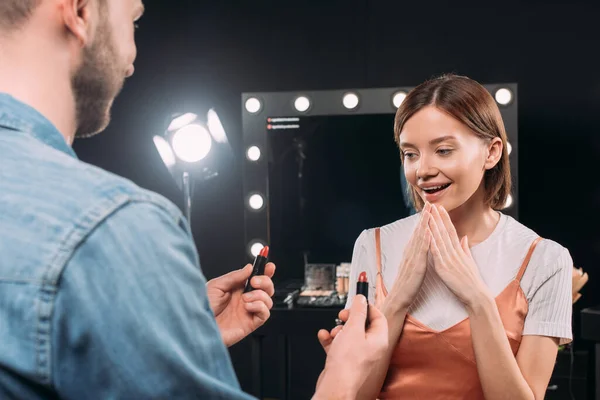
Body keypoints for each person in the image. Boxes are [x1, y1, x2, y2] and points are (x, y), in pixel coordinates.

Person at [0, 0, 388, 398]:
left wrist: (170, 337)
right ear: (79, 11)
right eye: (133, 20)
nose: (131, 60)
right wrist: (344, 375)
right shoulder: (110, 223)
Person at [319, 74, 574, 399]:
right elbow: (355, 395)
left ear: (492, 152)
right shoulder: (373, 245)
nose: (422, 170)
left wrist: (477, 301)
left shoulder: (544, 260)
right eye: (411, 154)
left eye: (443, 150)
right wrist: (397, 300)